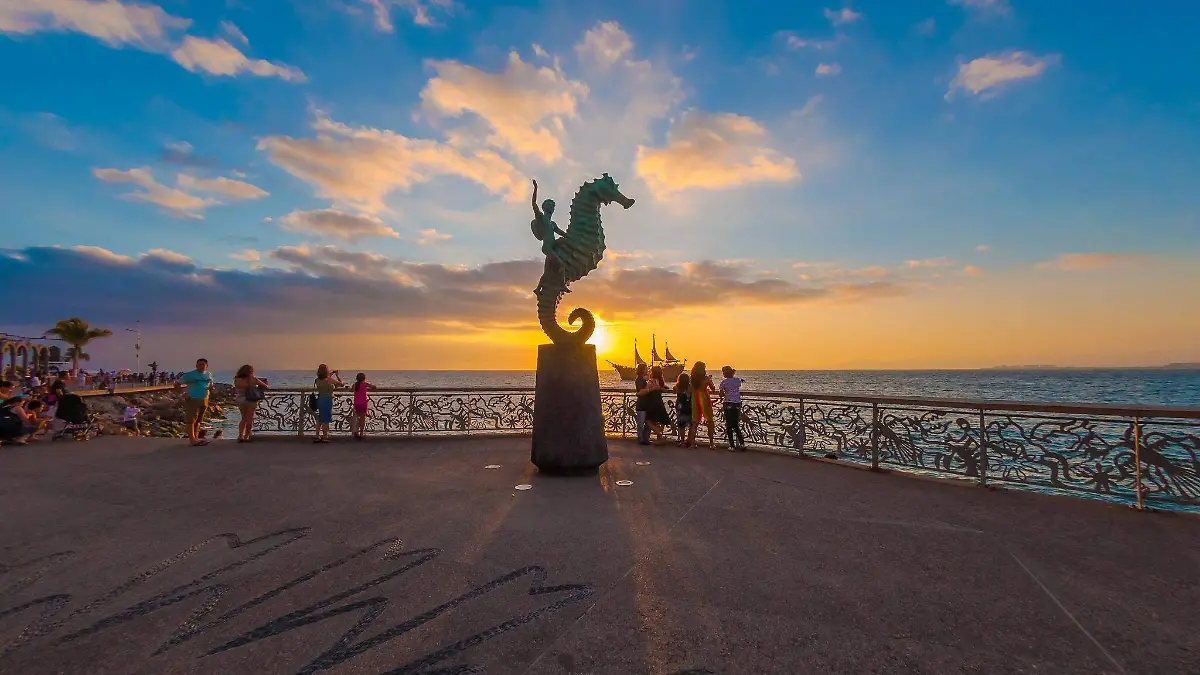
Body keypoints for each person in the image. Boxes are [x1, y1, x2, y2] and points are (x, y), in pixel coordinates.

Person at [176, 358, 214, 446]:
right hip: (192, 398)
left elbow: (210, 384)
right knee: (191, 419)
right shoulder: (190, 375)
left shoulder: (209, 374)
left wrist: (211, 387)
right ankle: (192, 440)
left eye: (202, 364)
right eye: (199, 364)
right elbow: (177, 384)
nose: (200, 366)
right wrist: (184, 394)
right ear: (196, 365)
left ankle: (196, 438)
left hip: (204, 399)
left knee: (199, 419)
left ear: (206, 366)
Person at [233, 364, 270, 443]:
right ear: (251, 371)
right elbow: (266, 386)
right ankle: (246, 436)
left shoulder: (237, 379)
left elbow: (237, 387)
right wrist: (263, 383)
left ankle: (240, 435)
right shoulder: (253, 379)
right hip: (251, 400)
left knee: (243, 418)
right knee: (249, 419)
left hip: (240, 400)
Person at [687, 361, 717, 449]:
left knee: (695, 422)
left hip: (695, 399)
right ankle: (711, 443)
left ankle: (692, 444)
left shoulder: (692, 379)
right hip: (704, 399)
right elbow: (713, 389)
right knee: (710, 421)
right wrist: (709, 381)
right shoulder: (706, 378)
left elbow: (689, 390)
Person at [313, 364, 343, 443]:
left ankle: (317, 436)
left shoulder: (317, 380)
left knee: (320, 418)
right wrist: (337, 375)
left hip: (320, 400)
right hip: (327, 400)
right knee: (326, 419)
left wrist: (331, 373)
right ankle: (325, 436)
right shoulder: (329, 380)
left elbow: (324, 378)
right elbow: (341, 384)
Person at [643, 365, 673, 445]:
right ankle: (660, 438)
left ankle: (659, 434)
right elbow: (664, 389)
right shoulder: (660, 381)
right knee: (661, 419)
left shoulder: (651, 381)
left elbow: (646, 390)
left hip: (652, 403)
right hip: (659, 402)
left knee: (648, 420)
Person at [720, 366, 746, 451]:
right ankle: (742, 443)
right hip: (737, 403)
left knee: (729, 424)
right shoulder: (737, 380)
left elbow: (721, 394)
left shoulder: (723, 382)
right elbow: (739, 382)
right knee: (735, 424)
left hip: (728, 403)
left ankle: (732, 445)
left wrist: (724, 393)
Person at [351, 372, 376, 440]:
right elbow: (373, 387)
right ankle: (361, 433)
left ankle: (356, 431)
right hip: (363, 404)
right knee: (362, 419)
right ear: (364, 378)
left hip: (356, 404)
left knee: (358, 418)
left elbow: (352, 390)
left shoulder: (355, 385)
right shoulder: (365, 384)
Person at [634, 363, 651, 445]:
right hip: (642, 404)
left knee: (647, 422)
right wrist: (649, 387)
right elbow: (640, 392)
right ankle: (641, 438)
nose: (647, 370)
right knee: (641, 423)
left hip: (646, 403)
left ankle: (645, 438)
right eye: (646, 368)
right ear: (642, 370)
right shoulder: (639, 380)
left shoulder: (643, 379)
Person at [674, 372, 692, 446]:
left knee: (681, 425)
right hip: (688, 406)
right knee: (691, 424)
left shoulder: (677, 386)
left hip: (680, 407)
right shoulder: (690, 387)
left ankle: (681, 441)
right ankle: (689, 440)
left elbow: (673, 390)